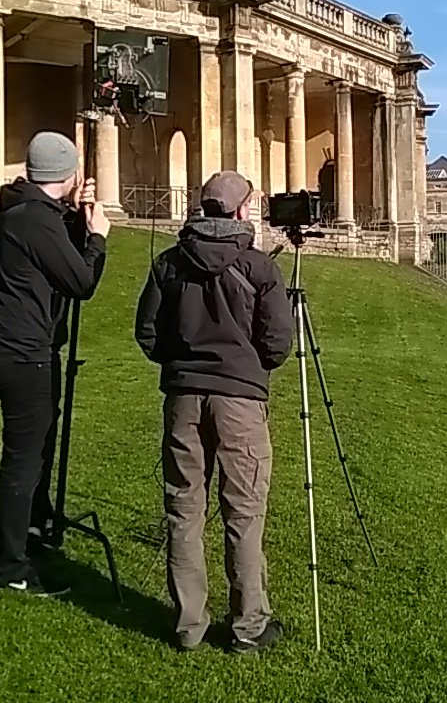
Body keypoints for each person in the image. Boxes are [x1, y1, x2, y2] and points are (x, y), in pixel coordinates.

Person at [135, 171, 294, 654]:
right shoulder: (258, 267)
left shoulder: (169, 263)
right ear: (243, 211)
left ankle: (189, 624)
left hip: (184, 396)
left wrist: (181, 364)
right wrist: (247, 366)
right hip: (240, 400)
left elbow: (147, 333)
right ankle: (249, 626)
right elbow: (278, 343)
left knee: (184, 507)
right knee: (243, 512)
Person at [0, 130, 110, 596]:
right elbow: (80, 280)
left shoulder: (27, 210)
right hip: (22, 352)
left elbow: (51, 254)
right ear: (68, 174)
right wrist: (97, 238)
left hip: (18, 347)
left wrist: (74, 215)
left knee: (38, 446)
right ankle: (9, 564)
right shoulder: (33, 218)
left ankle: (31, 526)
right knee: (24, 458)